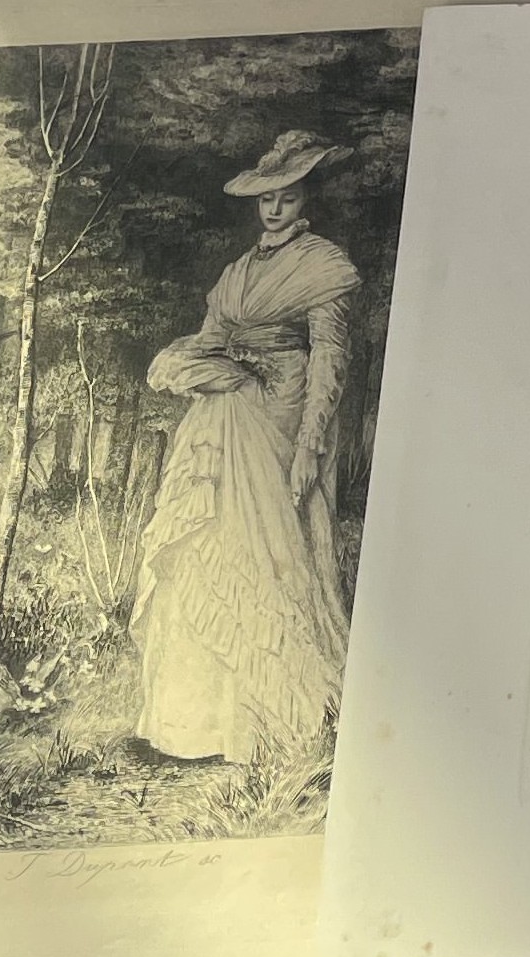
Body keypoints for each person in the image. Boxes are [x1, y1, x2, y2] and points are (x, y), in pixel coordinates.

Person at [129, 130, 359, 766]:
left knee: (265, 553)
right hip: (223, 417)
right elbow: (211, 337)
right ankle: (188, 724)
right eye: (266, 199)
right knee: (206, 543)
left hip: (279, 416)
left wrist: (311, 443)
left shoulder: (324, 265)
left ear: (306, 198)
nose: (276, 209)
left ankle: (266, 726)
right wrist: (191, 363)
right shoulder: (237, 271)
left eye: (288, 197)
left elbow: (329, 361)